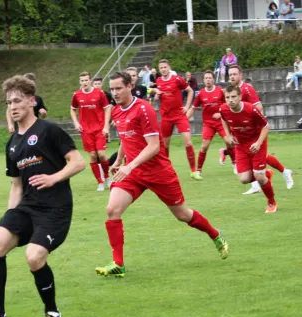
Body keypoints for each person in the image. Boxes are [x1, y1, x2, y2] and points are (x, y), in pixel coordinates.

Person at [0, 75, 86, 317]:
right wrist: (7, 218)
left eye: (18, 100)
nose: (13, 106)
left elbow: (78, 162)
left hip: (55, 209)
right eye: (9, 102)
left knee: (33, 257)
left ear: (32, 101)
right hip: (27, 208)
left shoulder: (49, 130)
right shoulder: (12, 144)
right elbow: (17, 186)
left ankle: (52, 312)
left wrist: (53, 177)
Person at [94, 71, 229, 278]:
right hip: (134, 172)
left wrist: (130, 165)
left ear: (130, 86)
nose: (115, 93)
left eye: (119, 88)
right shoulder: (117, 111)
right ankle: (118, 264)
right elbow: (125, 137)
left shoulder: (143, 109)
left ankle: (215, 234)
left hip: (158, 172)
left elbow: (154, 146)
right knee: (112, 209)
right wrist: (120, 161)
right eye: (112, 89)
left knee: (182, 215)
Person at [228, 65, 294, 194]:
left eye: (234, 74)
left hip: (255, 132)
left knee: (259, 157)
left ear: (241, 75)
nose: (232, 77)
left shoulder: (247, 89)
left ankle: (283, 173)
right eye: (230, 74)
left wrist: (246, 121)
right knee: (258, 158)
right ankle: (263, 181)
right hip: (243, 134)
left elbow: (258, 107)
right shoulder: (231, 93)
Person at [220, 85, 278, 214]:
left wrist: (258, 143)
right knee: (244, 179)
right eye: (227, 97)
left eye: (233, 97)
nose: (230, 100)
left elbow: (266, 126)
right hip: (240, 145)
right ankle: (266, 175)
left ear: (240, 97)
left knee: (258, 176)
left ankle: (271, 202)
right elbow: (223, 119)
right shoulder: (223, 109)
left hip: (257, 144)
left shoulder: (251, 109)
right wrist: (228, 135)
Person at [149, 59, 200, 179]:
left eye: (165, 67)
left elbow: (190, 91)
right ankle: (166, 170)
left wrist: (187, 106)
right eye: (161, 68)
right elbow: (157, 94)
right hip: (166, 116)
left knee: (188, 141)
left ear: (169, 67)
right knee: (165, 146)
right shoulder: (159, 81)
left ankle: (193, 171)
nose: (163, 69)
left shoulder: (177, 79)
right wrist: (156, 96)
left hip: (179, 115)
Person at [186, 70, 235, 176]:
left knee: (229, 142)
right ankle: (198, 170)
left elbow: (228, 105)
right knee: (204, 146)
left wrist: (220, 113)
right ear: (203, 80)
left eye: (209, 78)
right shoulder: (200, 94)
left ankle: (234, 163)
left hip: (222, 122)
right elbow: (193, 108)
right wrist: (184, 119)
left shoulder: (220, 91)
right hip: (208, 124)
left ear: (213, 79)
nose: (208, 80)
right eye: (206, 78)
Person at [70, 71, 112, 191]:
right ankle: (100, 182)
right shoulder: (77, 95)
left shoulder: (100, 93)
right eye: (82, 81)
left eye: (86, 80)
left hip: (99, 129)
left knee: (102, 155)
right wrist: (76, 123)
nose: (84, 83)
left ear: (90, 81)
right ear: (80, 82)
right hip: (86, 130)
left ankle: (107, 177)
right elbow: (73, 110)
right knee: (93, 156)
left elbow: (107, 108)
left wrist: (106, 126)